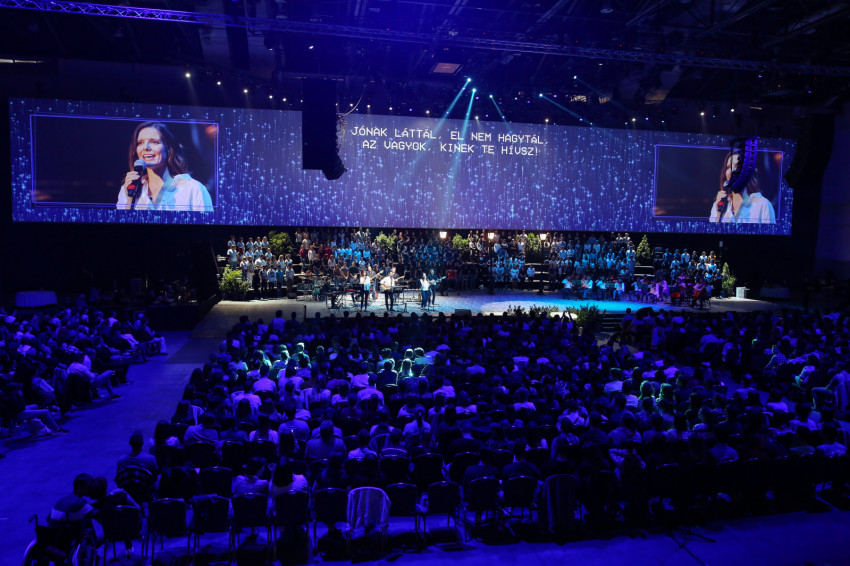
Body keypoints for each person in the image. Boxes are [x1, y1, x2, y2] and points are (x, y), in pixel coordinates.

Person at [117, 122, 213, 211]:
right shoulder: (128, 189)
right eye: (140, 143)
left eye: (154, 142)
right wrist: (129, 201)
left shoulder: (193, 189)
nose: (145, 147)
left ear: (168, 149)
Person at [709, 150, 775, 224]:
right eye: (728, 167)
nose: (732, 171)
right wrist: (718, 214)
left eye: (737, 166)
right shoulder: (718, 205)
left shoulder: (762, 204)